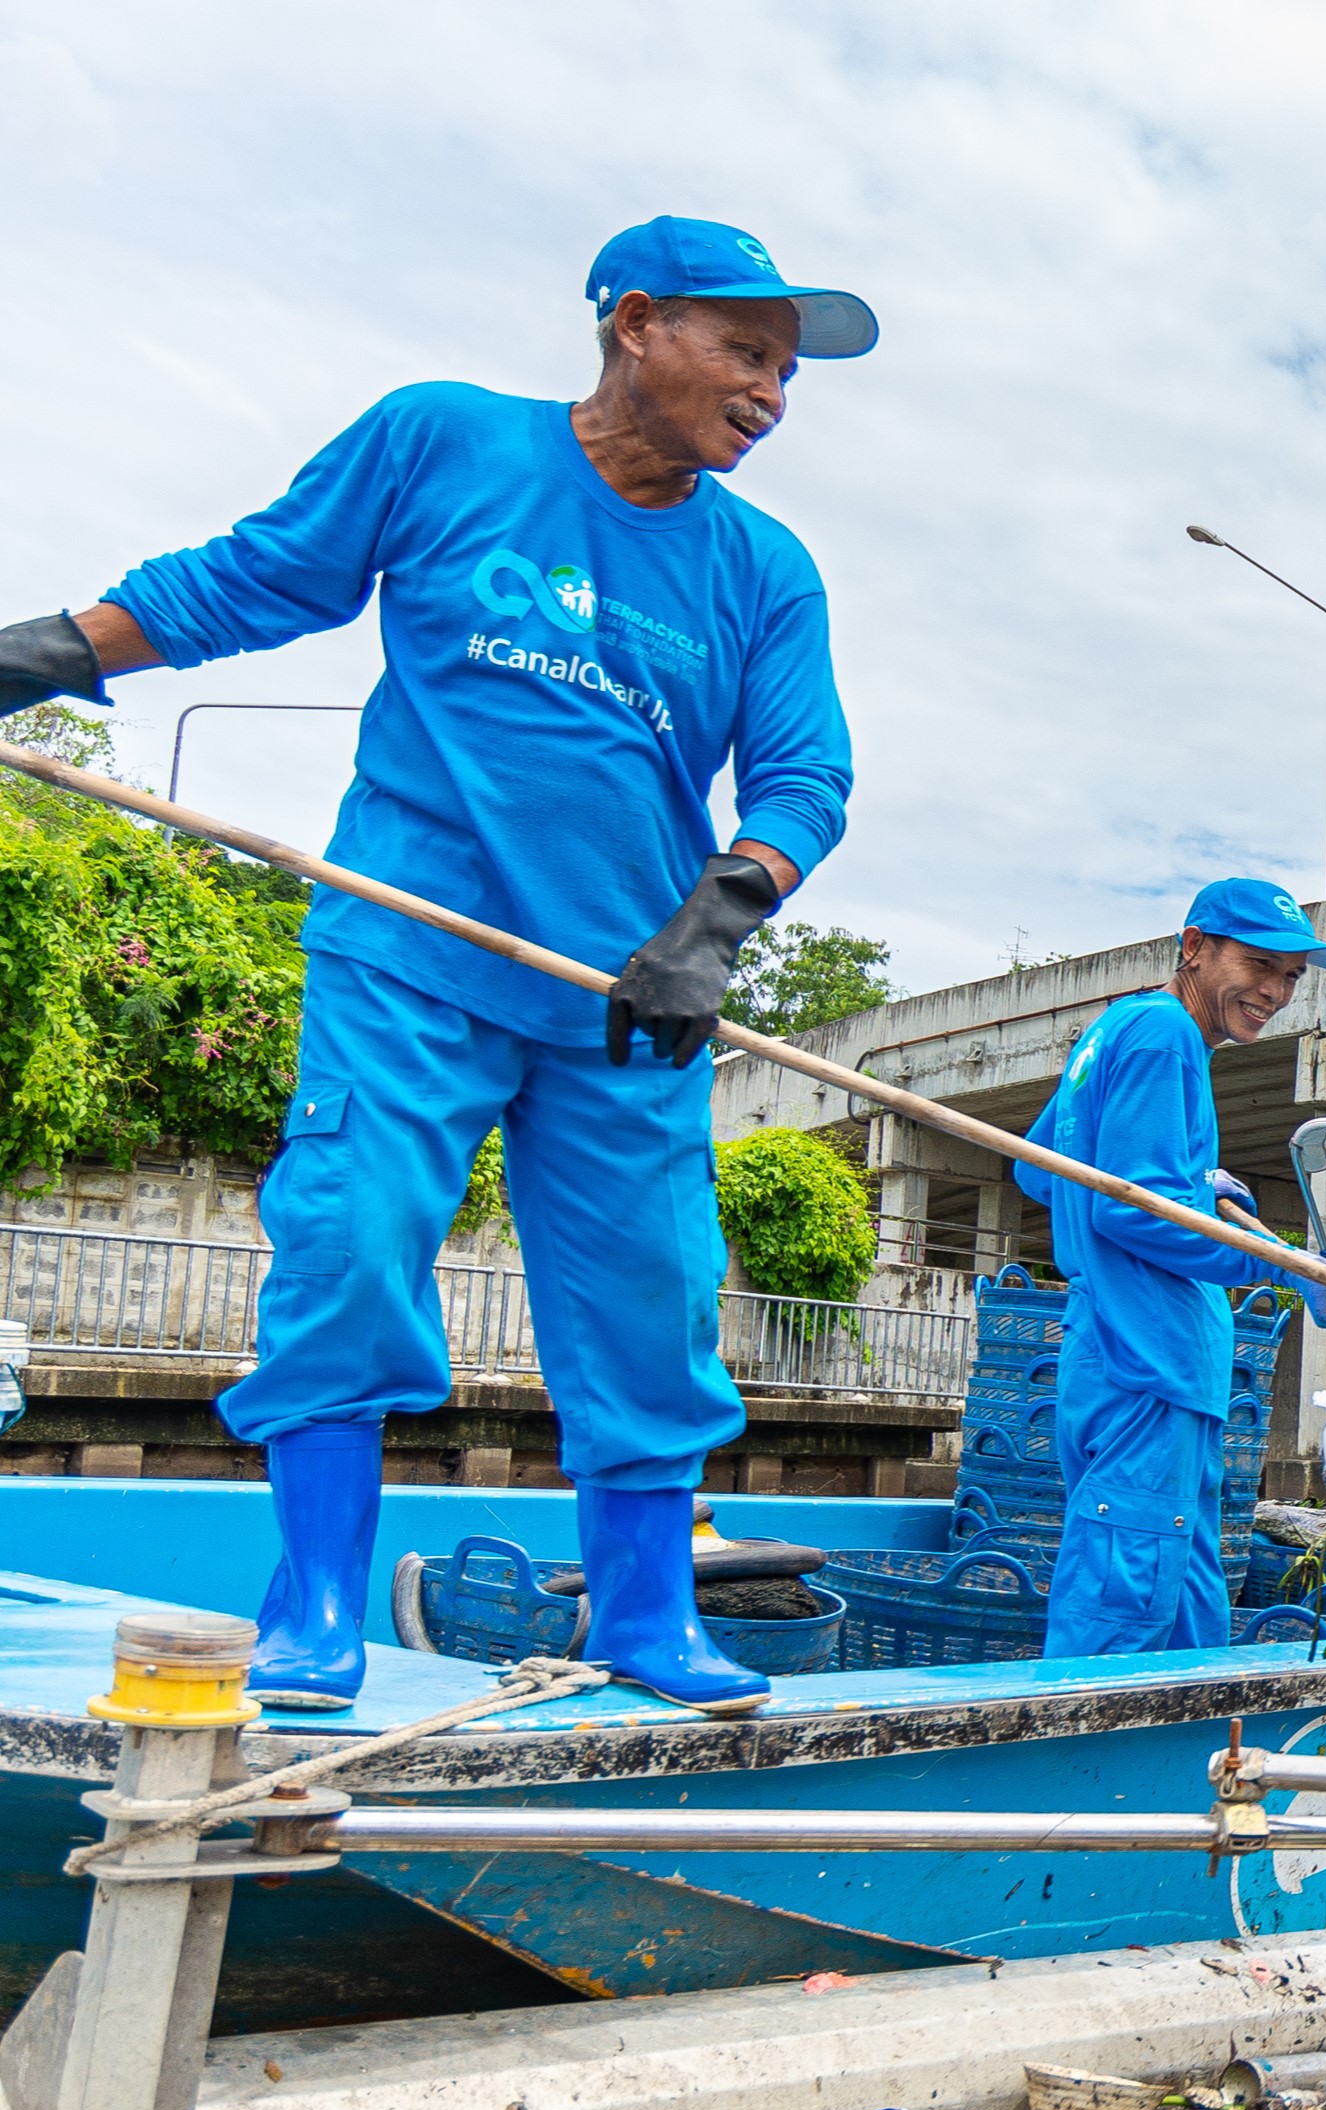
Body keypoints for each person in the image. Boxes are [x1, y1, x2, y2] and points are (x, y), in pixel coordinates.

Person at [0, 216, 877, 1719]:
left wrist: (714, 924)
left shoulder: (763, 570)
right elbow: (250, 581)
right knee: (349, 1253)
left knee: (653, 1304)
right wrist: (37, 655)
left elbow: (805, 779)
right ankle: (319, 1605)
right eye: (747, 353)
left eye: (788, 376)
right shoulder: (442, 442)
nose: (771, 396)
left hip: (629, 1003)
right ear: (638, 323)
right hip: (410, 958)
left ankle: (647, 1618)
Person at [1018, 879, 1326, 1656]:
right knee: (1124, 1610)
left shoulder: (1120, 1028)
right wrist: (1278, 1263)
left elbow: (1042, 1171)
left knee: (1187, 1615)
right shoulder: (1164, 1035)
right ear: (1195, 947)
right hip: (1148, 1364)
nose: (1275, 991)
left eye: (1292, 977)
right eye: (1259, 964)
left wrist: (1189, 1182)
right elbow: (1132, 1210)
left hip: (1130, 1359)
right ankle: (1089, 1773)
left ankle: (1186, 1769)